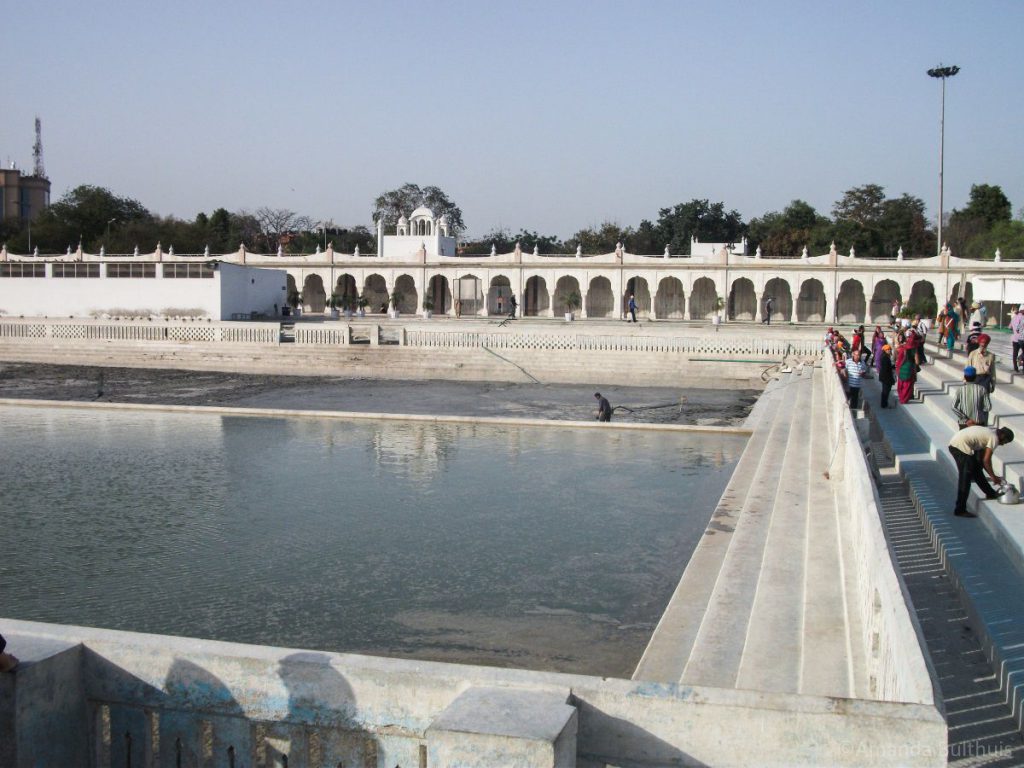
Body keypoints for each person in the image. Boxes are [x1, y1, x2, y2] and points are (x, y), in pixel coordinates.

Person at [947, 426, 1014, 517]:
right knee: (965, 478)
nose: (1003, 444)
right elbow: (986, 460)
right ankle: (960, 510)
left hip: (958, 444)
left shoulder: (990, 433)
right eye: (1005, 441)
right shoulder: (994, 438)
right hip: (959, 447)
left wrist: (993, 475)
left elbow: (982, 461)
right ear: (1002, 435)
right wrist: (993, 477)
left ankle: (990, 493)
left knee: (976, 470)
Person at [895, 336, 917, 404]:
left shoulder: (903, 348)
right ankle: (904, 399)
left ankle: (901, 397)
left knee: (901, 384)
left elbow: (898, 356)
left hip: (901, 368)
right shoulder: (914, 350)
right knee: (907, 385)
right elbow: (917, 361)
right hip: (910, 369)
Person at [878, 343, 895, 408]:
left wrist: (892, 366)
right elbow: (886, 369)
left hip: (884, 377)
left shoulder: (885, 357)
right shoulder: (885, 358)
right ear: (885, 350)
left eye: (890, 349)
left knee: (886, 391)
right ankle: (884, 404)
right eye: (888, 350)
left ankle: (884, 404)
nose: (889, 351)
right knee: (886, 391)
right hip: (886, 378)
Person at [1011, 305, 1024, 372]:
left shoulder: (1014, 317)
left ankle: (1015, 367)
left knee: (1015, 353)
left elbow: (1010, 327)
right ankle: (1021, 363)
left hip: (1015, 338)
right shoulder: (1022, 317)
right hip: (1022, 338)